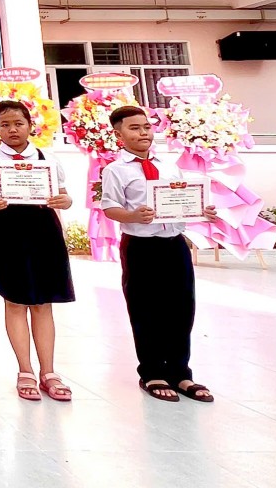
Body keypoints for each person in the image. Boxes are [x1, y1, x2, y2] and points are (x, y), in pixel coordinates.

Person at [101, 105, 217, 404]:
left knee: (181, 308)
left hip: (174, 243)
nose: (143, 133)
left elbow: (182, 199)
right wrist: (132, 215)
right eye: (134, 128)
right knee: (145, 309)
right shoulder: (116, 169)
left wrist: (201, 210)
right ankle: (152, 372)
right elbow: (109, 207)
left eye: (147, 127)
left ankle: (181, 372)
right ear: (119, 134)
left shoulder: (169, 166)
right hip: (141, 246)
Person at [0, 100, 75, 403]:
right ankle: (25, 371)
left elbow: (66, 197)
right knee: (15, 301)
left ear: (30, 125)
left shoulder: (46, 158)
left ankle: (49, 372)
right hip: (5, 230)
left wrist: (62, 202)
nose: (12, 130)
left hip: (44, 229)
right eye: (4, 124)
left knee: (43, 302)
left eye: (18, 123)